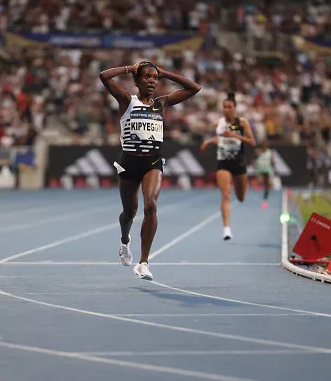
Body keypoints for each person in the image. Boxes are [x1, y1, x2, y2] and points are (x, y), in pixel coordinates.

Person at [99, 60, 201, 280]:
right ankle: (125, 240)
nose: (152, 81)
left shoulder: (161, 103)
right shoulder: (127, 101)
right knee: (129, 213)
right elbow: (104, 76)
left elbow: (194, 88)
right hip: (128, 162)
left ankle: (144, 263)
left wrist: (166, 73)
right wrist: (129, 68)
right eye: (147, 77)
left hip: (152, 163)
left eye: (155, 78)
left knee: (151, 205)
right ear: (136, 81)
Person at [200, 93, 256, 240]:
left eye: (229, 107)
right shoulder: (218, 123)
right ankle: (226, 229)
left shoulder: (242, 122)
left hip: (239, 163)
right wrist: (208, 142)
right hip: (223, 162)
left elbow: (252, 142)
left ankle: (240, 194)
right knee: (225, 194)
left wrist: (235, 136)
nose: (226, 109)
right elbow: (218, 137)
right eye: (224, 107)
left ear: (235, 108)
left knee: (241, 197)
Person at [254, 141, 275, 209]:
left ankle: (265, 198)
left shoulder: (270, 152)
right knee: (259, 182)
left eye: (266, 146)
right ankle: (257, 196)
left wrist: (272, 164)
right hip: (260, 170)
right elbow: (254, 159)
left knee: (267, 184)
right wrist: (255, 166)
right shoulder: (258, 151)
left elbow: (272, 161)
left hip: (267, 170)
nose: (265, 147)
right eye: (263, 145)